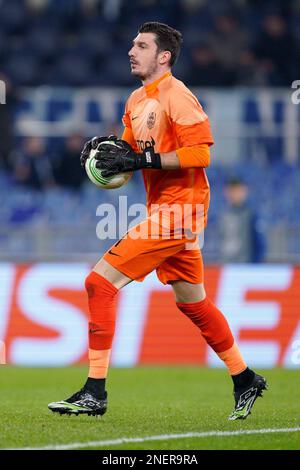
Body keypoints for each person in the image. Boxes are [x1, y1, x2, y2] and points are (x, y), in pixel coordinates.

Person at [48, 22, 267, 420]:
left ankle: (94, 391)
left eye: (142, 45)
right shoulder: (135, 100)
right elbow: (128, 160)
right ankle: (244, 377)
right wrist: (105, 152)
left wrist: (139, 159)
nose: (132, 51)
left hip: (180, 210)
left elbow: (201, 154)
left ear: (163, 56)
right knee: (193, 304)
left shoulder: (178, 96)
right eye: (132, 44)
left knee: (98, 283)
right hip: (165, 208)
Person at [220, 177, 265, 263]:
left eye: (237, 191)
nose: (234, 194)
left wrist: (255, 266)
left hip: (244, 267)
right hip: (226, 265)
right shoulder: (223, 215)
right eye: (231, 191)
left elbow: (260, 244)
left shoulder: (251, 215)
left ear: (244, 191)